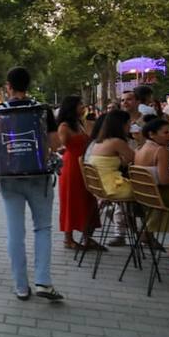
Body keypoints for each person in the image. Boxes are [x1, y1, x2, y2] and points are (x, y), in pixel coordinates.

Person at [0, 67, 64, 301]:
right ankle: (43, 281)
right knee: (42, 228)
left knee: (15, 232)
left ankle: (21, 286)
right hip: (38, 176)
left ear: (8, 86)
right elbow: (55, 144)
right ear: (29, 84)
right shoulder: (43, 110)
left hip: (9, 177)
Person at [56, 95, 101, 251]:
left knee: (87, 199)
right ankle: (68, 239)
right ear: (72, 107)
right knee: (71, 201)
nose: (83, 106)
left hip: (84, 165)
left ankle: (87, 236)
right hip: (71, 167)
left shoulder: (80, 123)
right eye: (80, 104)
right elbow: (60, 146)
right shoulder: (64, 126)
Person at [86, 110, 136, 200]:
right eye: (129, 123)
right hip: (113, 187)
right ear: (122, 125)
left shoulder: (99, 142)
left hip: (100, 186)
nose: (130, 127)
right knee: (147, 190)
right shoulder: (117, 142)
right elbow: (135, 159)